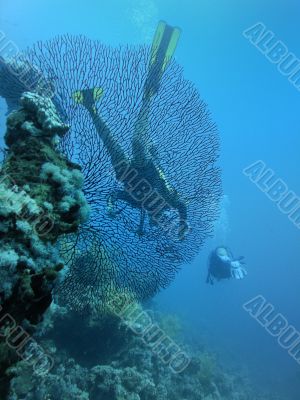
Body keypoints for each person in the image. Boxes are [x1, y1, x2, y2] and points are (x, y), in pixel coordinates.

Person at [72, 22, 188, 239]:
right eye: (158, 216)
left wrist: (110, 204)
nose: (154, 213)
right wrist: (183, 222)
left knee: (109, 143)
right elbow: (181, 204)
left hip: (125, 172)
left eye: (153, 217)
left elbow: (115, 194)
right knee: (136, 141)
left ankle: (90, 105)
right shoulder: (167, 199)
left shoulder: (137, 204)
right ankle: (148, 93)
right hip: (145, 165)